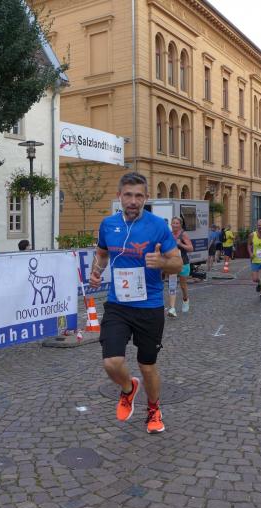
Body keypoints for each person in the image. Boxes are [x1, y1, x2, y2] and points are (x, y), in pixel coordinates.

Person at [89, 172, 182, 434]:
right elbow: (102, 253)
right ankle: (128, 389)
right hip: (118, 304)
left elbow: (178, 263)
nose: (133, 201)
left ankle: (153, 408)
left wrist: (162, 262)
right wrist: (96, 270)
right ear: (119, 196)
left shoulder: (158, 226)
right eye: (128, 195)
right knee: (111, 362)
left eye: (138, 196)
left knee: (147, 365)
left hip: (149, 306)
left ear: (146, 198)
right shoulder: (108, 225)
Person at [166, 216, 193, 317]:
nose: (175, 225)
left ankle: (185, 299)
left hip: (183, 262)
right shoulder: (169, 234)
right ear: (171, 224)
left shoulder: (183, 234)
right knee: (172, 284)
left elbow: (191, 248)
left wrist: (181, 244)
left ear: (180, 225)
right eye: (173, 223)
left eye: (177, 223)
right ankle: (172, 308)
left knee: (183, 285)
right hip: (172, 263)